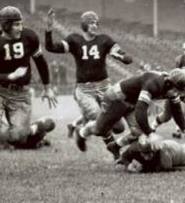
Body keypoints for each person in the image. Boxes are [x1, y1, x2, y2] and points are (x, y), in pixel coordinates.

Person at [0, 6, 57, 178]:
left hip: (21, 93)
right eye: (16, 25)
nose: (20, 28)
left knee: (19, 137)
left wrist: (47, 87)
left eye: (21, 24)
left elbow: (41, 62)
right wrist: (11, 76)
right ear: (6, 25)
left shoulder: (29, 37)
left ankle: (37, 127)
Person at [45, 9, 132, 159]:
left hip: (105, 87)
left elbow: (123, 54)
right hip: (85, 90)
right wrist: (48, 30)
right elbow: (51, 47)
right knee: (102, 121)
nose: (94, 25)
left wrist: (123, 57)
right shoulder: (74, 40)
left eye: (96, 23)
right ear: (84, 24)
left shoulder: (104, 40)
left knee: (119, 127)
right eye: (91, 22)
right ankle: (116, 154)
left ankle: (81, 131)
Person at [75, 69, 185, 154]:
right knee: (100, 130)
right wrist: (150, 132)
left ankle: (115, 146)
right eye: (177, 90)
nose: (177, 94)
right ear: (169, 83)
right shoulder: (153, 84)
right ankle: (82, 132)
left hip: (132, 102)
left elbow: (177, 110)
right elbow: (140, 111)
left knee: (137, 133)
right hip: (117, 98)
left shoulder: (171, 86)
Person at [118, 129, 185, 173]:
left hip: (179, 152)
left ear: (154, 150)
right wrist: (128, 165)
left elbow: (164, 168)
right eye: (143, 154)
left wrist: (142, 169)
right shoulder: (134, 148)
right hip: (168, 145)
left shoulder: (161, 152)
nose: (146, 157)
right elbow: (124, 157)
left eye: (148, 154)